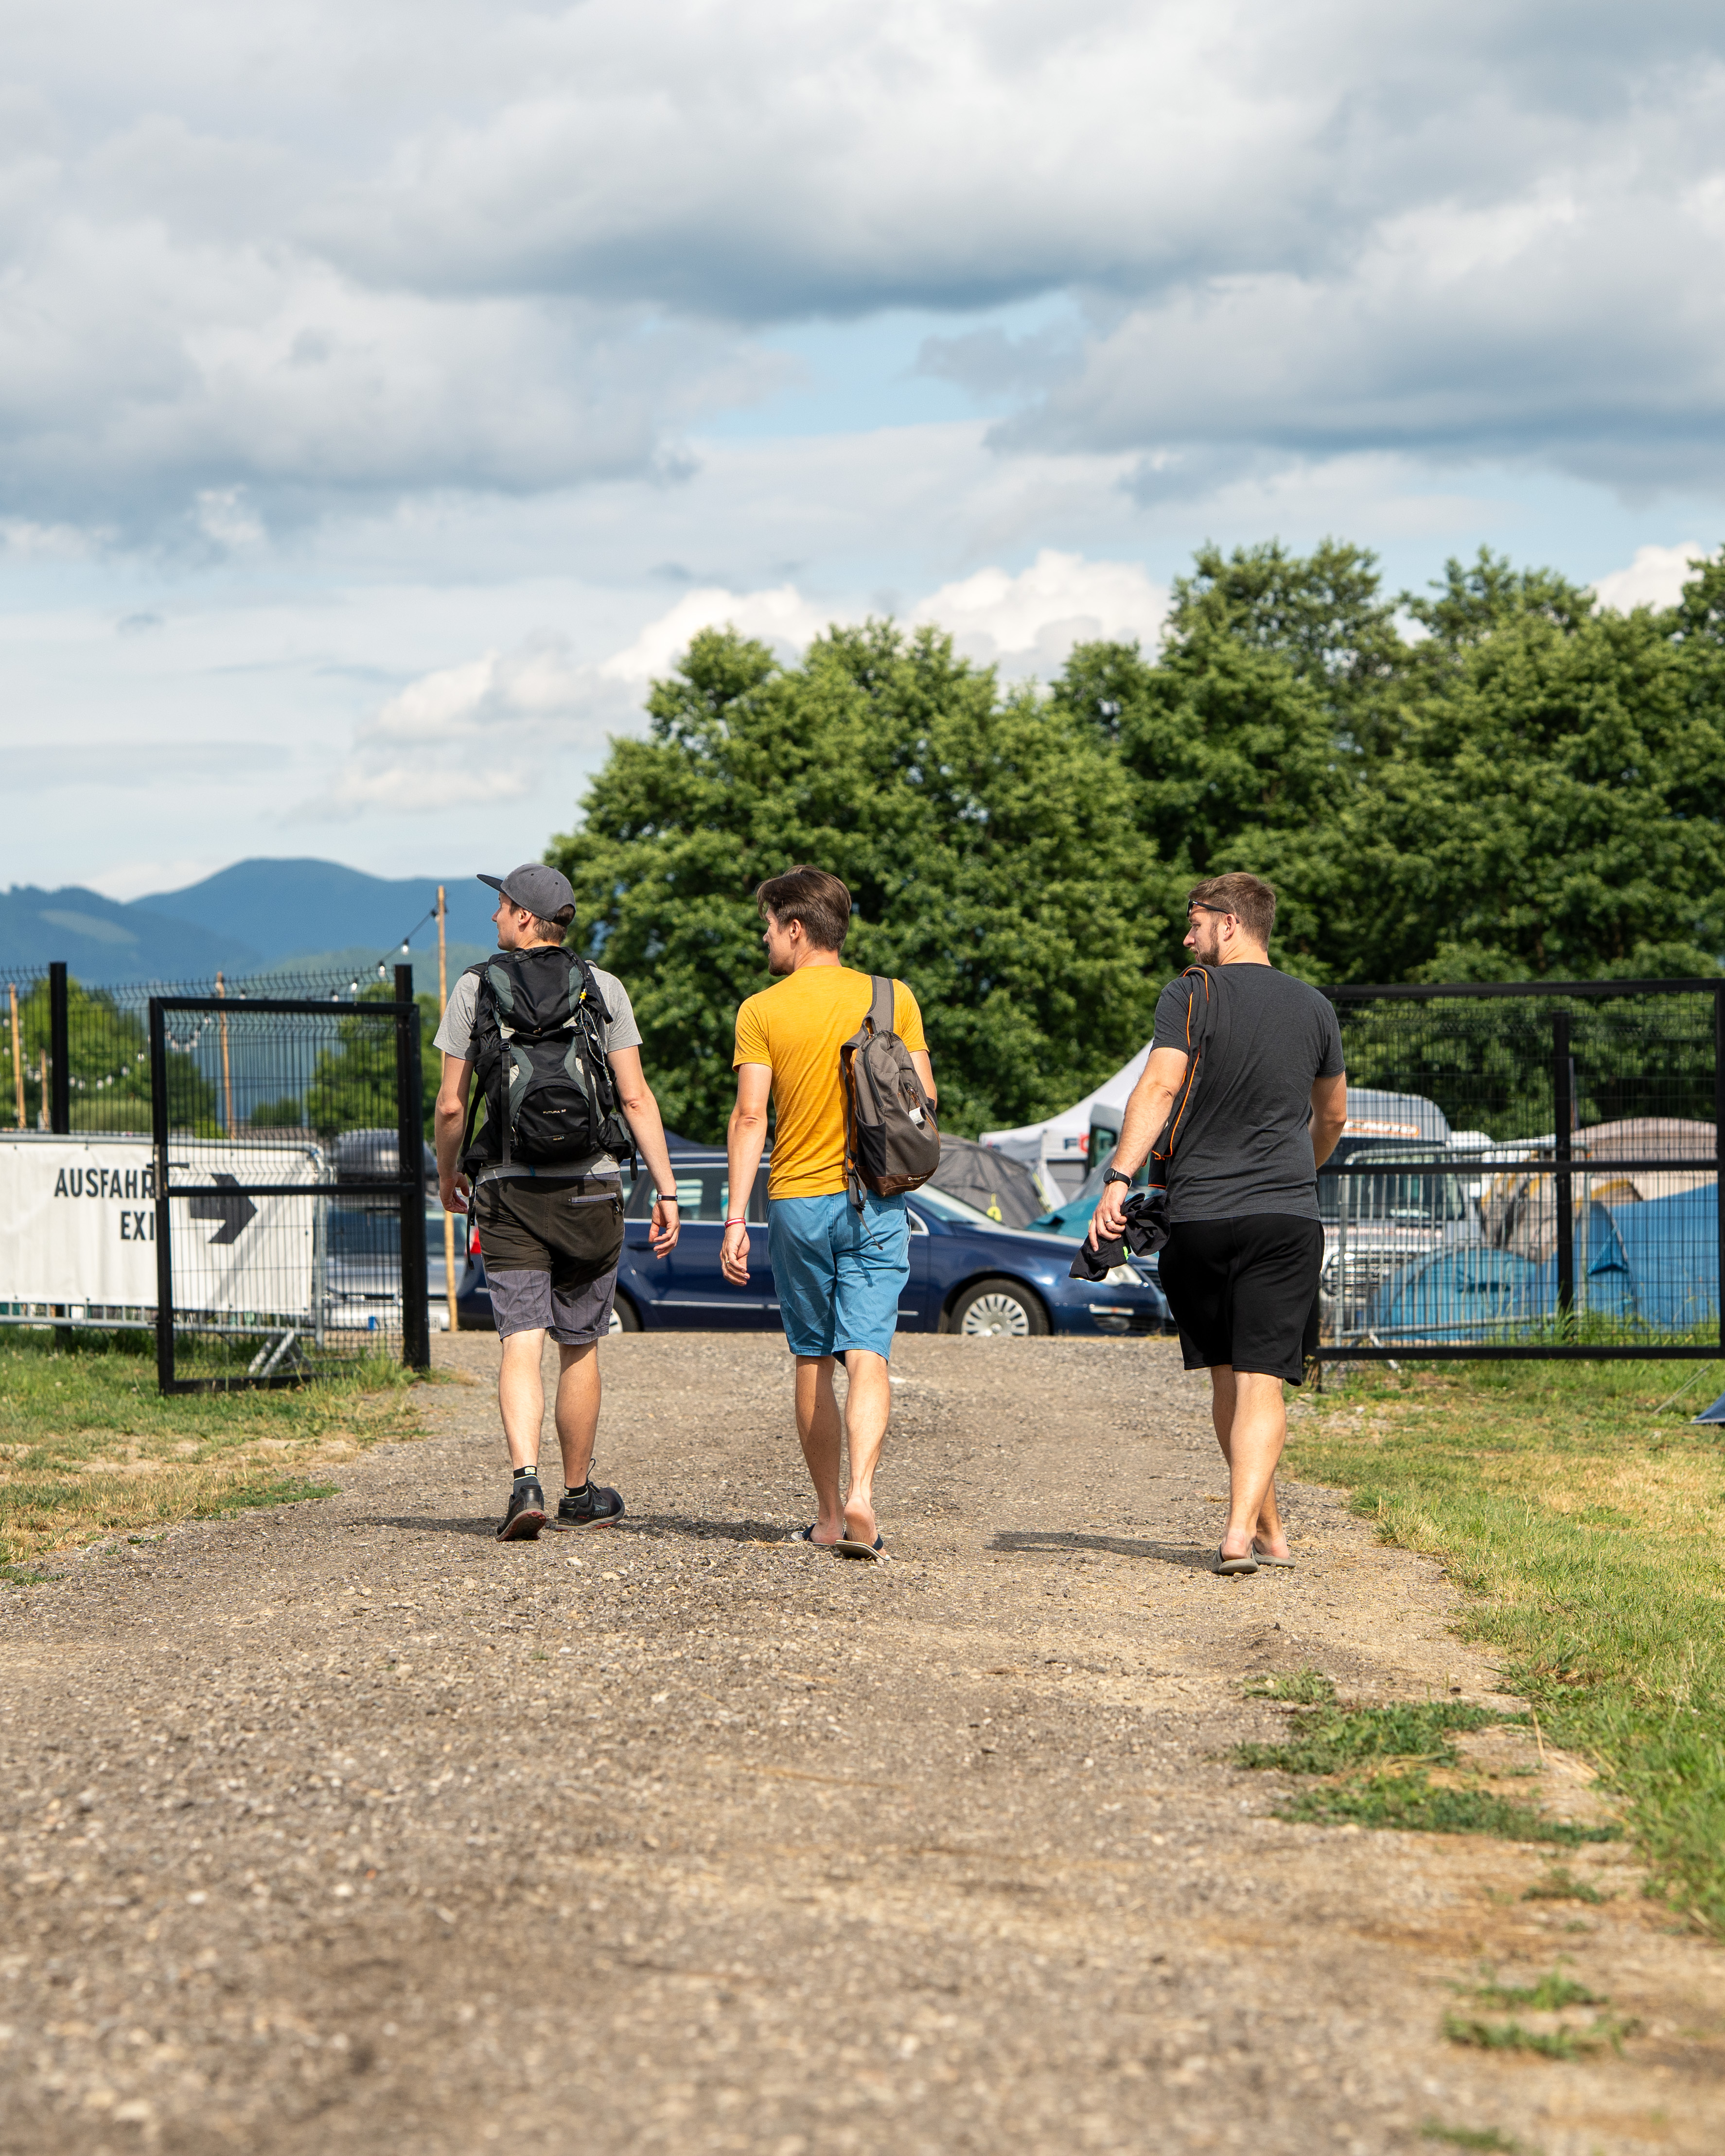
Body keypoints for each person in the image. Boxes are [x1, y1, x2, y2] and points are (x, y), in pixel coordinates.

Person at [1092, 872, 1347, 1576]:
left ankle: (1262, 1535)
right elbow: (1333, 1117)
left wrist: (1120, 1177)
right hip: (1285, 1217)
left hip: (1199, 1215)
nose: (1187, 936)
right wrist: (1304, 1171)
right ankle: (1247, 1531)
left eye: (1195, 921)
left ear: (1230, 924)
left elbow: (1162, 1083)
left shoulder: (1188, 994)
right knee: (1263, 1381)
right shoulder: (1316, 1008)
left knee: (1229, 1381)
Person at [434, 863, 681, 1541]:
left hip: (508, 1188)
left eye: (502, 905)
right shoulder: (603, 988)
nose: (493, 917)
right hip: (592, 1187)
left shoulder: (475, 988)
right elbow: (635, 1097)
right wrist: (666, 1188)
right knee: (580, 1345)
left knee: (520, 1341)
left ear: (523, 918)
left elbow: (452, 1103)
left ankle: (524, 1483)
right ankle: (578, 1492)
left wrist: (447, 1171)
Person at [720, 867, 935, 1558]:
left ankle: (827, 1517)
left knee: (813, 1358)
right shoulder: (892, 997)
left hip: (799, 1203)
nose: (764, 939)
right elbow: (925, 1102)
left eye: (768, 926)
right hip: (878, 1196)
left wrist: (733, 1216)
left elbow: (752, 1115)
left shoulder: (762, 1010)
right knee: (868, 1353)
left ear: (796, 928)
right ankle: (864, 1495)